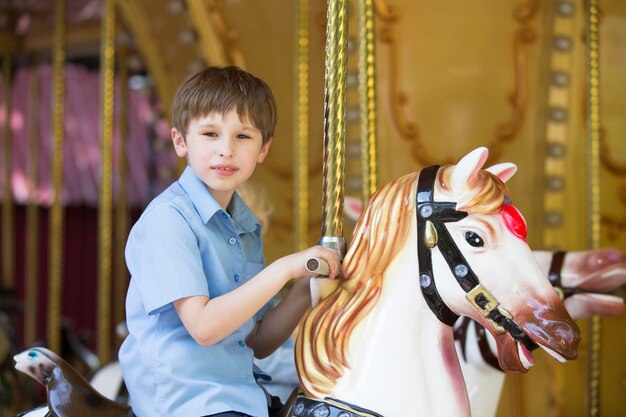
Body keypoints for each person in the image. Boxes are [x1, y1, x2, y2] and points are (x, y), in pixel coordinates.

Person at [118, 66, 341, 417]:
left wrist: (304, 289)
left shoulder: (243, 227)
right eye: (210, 133)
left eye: (243, 137)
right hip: (185, 401)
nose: (226, 150)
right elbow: (204, 327)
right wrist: (285, 268)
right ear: (180, 142)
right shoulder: (168, 220)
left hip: (241, 395)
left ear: (263, 149)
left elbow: (258, 340)